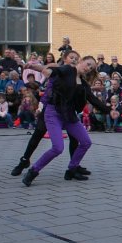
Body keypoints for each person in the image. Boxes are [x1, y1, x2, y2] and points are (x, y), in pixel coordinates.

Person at [21, 52, 96, 187]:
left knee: (85, 142)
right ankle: (32, 170)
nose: (89, 68)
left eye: (91, 68)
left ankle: (72, 168)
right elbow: (48, 70)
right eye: (88, 64)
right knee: (57, 147)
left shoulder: (80, 80)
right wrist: (32, 66)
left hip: (68, 115)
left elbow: (90, 98)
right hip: (52, 110)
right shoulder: (64, 69)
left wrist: (108, 109)